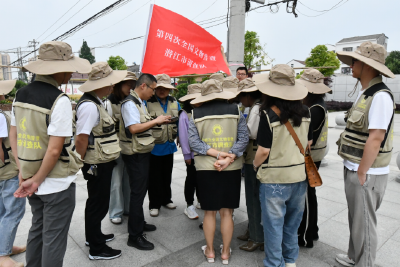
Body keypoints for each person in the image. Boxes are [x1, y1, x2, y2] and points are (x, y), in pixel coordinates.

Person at [12, 41, 91, 267]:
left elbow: (15, 135)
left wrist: (24, 172)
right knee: (54, 238)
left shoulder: (20, 94)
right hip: (54, 181)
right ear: (58, 69)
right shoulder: (60, 100)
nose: (70, 72)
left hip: (29, 176)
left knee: (37, 228)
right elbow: (55, 149)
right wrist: (37, 180)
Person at [335, 42, 395, 267]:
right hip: (355, 166)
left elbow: (376, 137)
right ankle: (354, 256)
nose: (351, 65)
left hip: (366, 171)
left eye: (355, 61)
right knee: (356, 219)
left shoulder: (380, 96)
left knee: (365, 223)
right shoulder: (366, 93)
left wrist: (362, 171)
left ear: (368, 66)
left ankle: (364, 263)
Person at [252, 64, 311, 267]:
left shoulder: (268, 114)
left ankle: (274, 263)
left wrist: (254, 165)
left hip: (274, 180)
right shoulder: (306, 112)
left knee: (273, 226)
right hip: (299, 176)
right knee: (292, 224)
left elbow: (263, 151)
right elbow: (308, 143)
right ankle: (290, 260)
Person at [189, 79, 248, 264]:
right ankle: (225, 254)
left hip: (206, 167)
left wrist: (217, 154)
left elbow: (194, 142)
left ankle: (210, 251)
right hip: (231, 167)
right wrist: (229, 156)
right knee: (226, 212)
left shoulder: (195, 113)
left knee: (209, 212)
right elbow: (244, 138)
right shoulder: (236, 112)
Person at [75, 61, 126, 260]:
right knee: (98, 203)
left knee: (96, 202)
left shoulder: (96, 102)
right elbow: (81, 138)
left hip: (101, 160)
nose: (113, 86)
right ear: (100, 84)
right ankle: (97, 249)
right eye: (110, 82)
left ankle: (93, 236)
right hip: (96, 162)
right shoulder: (89, 106)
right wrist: (81, 163)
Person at [119, 73, 171, 250]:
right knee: (137, 194)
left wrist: (157, 122)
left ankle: (139, 224)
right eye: (153, 89)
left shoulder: (139, 102)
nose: (154, 93)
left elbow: (142, 123)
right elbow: (133, 128)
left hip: (142, 151)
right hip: (135, 154)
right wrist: (156, 120)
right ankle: (134, 236)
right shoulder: (129, 103)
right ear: (143, 86)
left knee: (140, 192)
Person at [296, 68, 332, 249]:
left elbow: (308, 139)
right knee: (308, 194)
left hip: (311, 156)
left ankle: (306, 235)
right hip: (314, 155)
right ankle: (312, 230)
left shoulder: (315, 109)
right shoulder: (316, 104)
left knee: (307, 195)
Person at [231, 78, 264, 252]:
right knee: (254, 197)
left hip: (254, 158)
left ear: (247, 95)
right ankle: (252, 230)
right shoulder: (257, 106)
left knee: (253, 198)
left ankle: (256, 237)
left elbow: (250, 133)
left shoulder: (257, 108)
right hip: (253, 156)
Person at [104, 71, 137, 224]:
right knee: (116, 181)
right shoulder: (109, 103)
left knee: (128, 179)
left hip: (129, 147)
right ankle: (115, 212)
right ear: (119, 84)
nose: (131, 86)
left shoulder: (131, 101)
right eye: (128, 83)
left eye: (133, 84)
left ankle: (128, 208)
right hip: (115, 148)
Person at [146, 74, 181, 217]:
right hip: (153, 147)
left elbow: (179, 120)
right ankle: (154, 204)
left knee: (167, 175)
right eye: (159, 88)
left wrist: (180, 135)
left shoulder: (174, 101)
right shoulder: (147, 102)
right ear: (155, 88)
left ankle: (167, 199)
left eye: (165, 88)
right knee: (154, 178)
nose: (162, 91)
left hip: (169, 146)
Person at [0, 80, 26, 267]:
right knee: (13, 211)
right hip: (6, 169)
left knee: (2, 211)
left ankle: (5, 247)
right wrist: (18, 167)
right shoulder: (0, 116)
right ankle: (3, 256)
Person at [178, 83, 202, 220]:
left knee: (201, 178)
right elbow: (183, 135)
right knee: (191, 178)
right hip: (192, 154)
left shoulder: (202, 111)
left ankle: (200, 200)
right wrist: (187, 154)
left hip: (203, 153)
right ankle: (189, 205)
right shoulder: (184, 114)